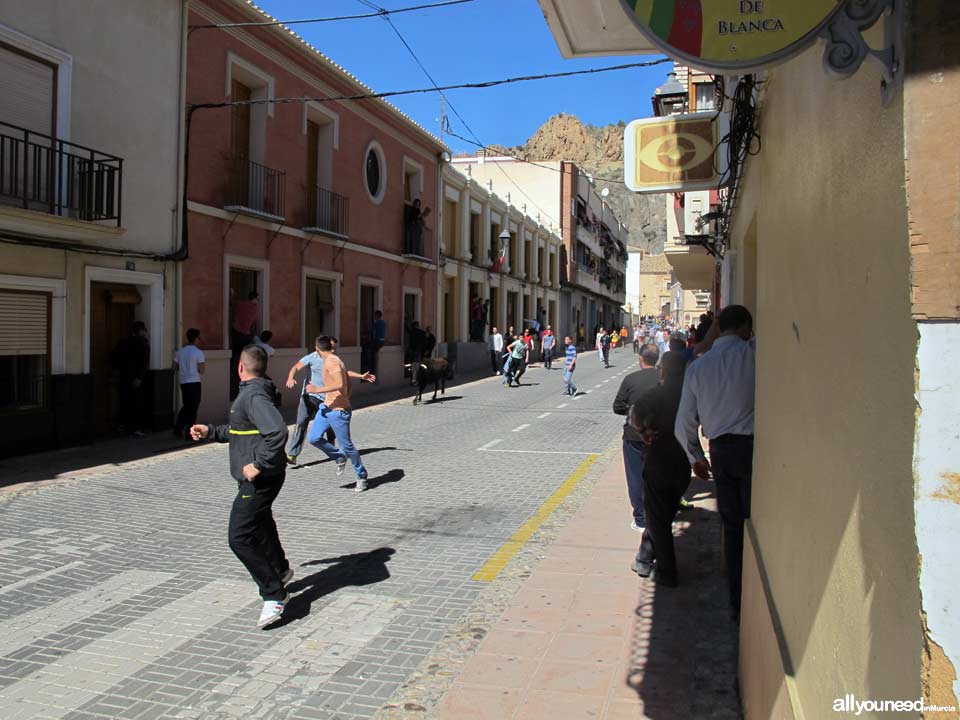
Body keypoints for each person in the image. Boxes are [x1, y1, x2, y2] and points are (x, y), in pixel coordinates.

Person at [189, 345, 292, 628]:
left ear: (240, 367)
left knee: (239, 537)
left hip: (260, 477)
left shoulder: (254, 395)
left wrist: (258, 464)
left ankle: (274, 593)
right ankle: (281, 570)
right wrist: (211, 431)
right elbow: (240, 431)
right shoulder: (252, 393)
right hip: (264, 475)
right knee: (260, 521)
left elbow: (278, 432)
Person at [675, 304, 755, 622]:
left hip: (720, 453)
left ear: (720, 329)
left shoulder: (698, 368)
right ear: (748, 327)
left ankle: (738, 603)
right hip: (755, 450)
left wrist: (696, 457)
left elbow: (684, 422)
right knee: (758, 524)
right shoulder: (756, 354)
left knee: (733, 528)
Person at [629, 351, 691, 586]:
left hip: (660, 458)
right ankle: (644, 558)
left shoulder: (659, 392)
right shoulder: (690, 392)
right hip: (684, 462)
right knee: (663, 514)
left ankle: (667, 572)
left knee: (658, 518)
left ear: (662, 370)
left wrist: (643, 432)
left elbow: (635, 412)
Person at [306, 336, 375, 491]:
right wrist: (361, 376)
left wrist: (317, 390)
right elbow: (344, 373)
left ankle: (361, 475)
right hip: (326, 407)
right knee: (314, 438)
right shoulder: (330, 360)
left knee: (347, 446)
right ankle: (338, 456)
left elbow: (339, 383)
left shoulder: (332, 361)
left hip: (338, 411)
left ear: (317, 349)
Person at [612, 343, 661, 533]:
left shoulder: (630, 379)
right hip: (659, 435)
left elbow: (617, 407)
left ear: (640, 359)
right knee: (657, 476)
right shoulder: (663, 379)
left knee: (635, 477)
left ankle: (640, 519)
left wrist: (632, 411)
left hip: (634, 435)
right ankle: (657, 515)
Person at [285, 336, 338, 465]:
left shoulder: (334, 361)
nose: (332, 350)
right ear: (319, 348)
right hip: (308, 396)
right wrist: (290, 378)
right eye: (330, 347)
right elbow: (295, 367)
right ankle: (292, 454)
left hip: (326, 398)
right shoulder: (311, 357)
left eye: (333, 348)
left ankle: (331, 445)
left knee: (330, 424)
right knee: (301, 422)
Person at [112, 320, 150, 437]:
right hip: (136, 378)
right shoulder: (143, 343)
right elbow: (144, 362)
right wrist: (139, 377)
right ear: (140, 331)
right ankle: (135, 429)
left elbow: (115, 357)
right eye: (144, 330)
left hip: (124, 376)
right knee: (137, 403)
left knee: (124, 402)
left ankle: (122, 426)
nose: (145, 332)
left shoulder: (122, 342)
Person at [173, 328, 205, 439]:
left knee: (187, 406)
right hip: (194, 382)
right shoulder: (198, 352)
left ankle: (178, 428)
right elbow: (202, 370)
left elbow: (175, 367)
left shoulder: (180, 352)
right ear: (196, 338)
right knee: (193, 407)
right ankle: (189, 432)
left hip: (183, 382)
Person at [367, 310, 386, 375]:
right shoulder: (383, 322)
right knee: (375, 354)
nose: (374, 317)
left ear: (377, 316)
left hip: (377, 341)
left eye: (375, 315)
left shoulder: (377, 322)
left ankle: (371, 370)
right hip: (382, 341)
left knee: (370, 353)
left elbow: (371, 330)